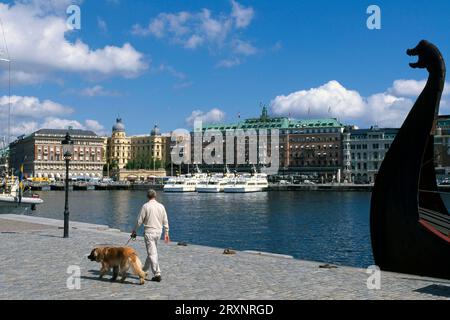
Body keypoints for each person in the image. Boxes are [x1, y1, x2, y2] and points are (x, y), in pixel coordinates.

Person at [131, 189, 169, 282]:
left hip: (149, 232)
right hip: (159, 232)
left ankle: (157, 274)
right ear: (155, 196)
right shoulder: (161, 206)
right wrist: (167, 232)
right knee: (152, 252)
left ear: (147, 196)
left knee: (152, 253)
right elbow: (165, 220)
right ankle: (144, 270)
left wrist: (134, 230)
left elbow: (139, 220)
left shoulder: (145, 206)